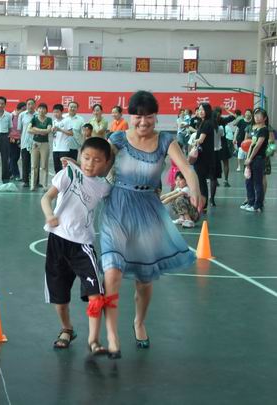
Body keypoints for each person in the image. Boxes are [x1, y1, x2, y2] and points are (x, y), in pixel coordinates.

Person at [99, 91, 202, 359]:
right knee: (112, 272)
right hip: (117, 206)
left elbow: (187, 169)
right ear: (130, 116)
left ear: (156, 116)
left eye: (148, 116)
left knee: (144, 281)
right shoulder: (117, 139)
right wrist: (76, 170)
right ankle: (111, 333)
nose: (143, 121)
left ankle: (139, 322)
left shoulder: (166, 140)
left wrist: (195, 189)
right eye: (138, 116)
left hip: (148, 211)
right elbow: (98, 166)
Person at [41, 137, 112, 354]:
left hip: (82, 246)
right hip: (57, 241)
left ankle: (94, 340)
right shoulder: (68, 173)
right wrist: (49, 215)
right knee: (60, 298)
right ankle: (67, 328)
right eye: (87, 157)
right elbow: (46, 198)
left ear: (106, 163)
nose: (90, 163)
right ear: (80, 155)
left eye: (97, 160)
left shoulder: (104, 187)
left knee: (95, 294)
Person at [242, 108, 269, 213]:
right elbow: (251, 145)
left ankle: (258, 205)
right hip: (251, 159)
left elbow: (257, 146)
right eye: (255, 115)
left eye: (259, 115)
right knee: (248, 181)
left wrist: (250, 158)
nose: (256, 117)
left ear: (264, 118)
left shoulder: (264, 130)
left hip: (258, 159)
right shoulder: (255, 129)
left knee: (257, 183)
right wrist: (247, 158)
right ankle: (250, 202)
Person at [192, 103, 215, 211]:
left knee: (201, 181)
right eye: (199, 110)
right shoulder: (203, 122)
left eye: (203, 110)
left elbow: (201, 140)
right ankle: (202, 204)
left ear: (207, 111)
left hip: (203, 157)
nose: (200, 112)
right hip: (202, 156)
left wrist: (194, 141)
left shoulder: (207, 123)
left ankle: (203, 205)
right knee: (200, 181)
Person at [28, 103, 52, 191]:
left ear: (46, 111)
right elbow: (29, 130)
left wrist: (36, 130)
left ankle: (44, 185)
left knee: (44, 165)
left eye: (43, 108)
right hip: (35, 143)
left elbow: (48, 130)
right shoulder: (34, 119)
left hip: (45, 144)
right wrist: (42, 131)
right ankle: (32, 185)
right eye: (40, 108)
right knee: (34, 165)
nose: (41, 110)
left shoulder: (49, 119)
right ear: (37, 110)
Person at [18, 98, 36, 187]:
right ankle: (25, 181)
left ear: (35, 105)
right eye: (28, 104)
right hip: (25, 142)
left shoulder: (38, 115)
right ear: (26, 105)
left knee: (35, 163)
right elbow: (20, 129)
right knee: (25, 162)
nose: (30, 106)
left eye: (32, 104)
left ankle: (35, 181)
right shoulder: (22, 115)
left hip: (36, 143)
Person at [51, 104, 72, 173]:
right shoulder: (54, 122)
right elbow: (54, 134)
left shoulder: (67, 120)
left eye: (57, 112)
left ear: (62, 112)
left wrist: (60, 129)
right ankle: (58, 180)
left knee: (64, 169)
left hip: (64, 148)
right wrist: (52, 131)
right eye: (54, 112)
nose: (55, 114)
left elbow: (71, 133)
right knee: (57, 168)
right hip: (55, 149)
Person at [9, 101, 26, 181]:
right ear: (18, 109)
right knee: (13, 157)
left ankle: (10, 173)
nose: (25, 111)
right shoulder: (11, 116)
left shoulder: (23, 117)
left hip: (20, 139)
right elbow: (8, 127)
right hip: (11, 139)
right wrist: (10, 136)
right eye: (23, 109)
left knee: (16, 157)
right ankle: (16, 174)